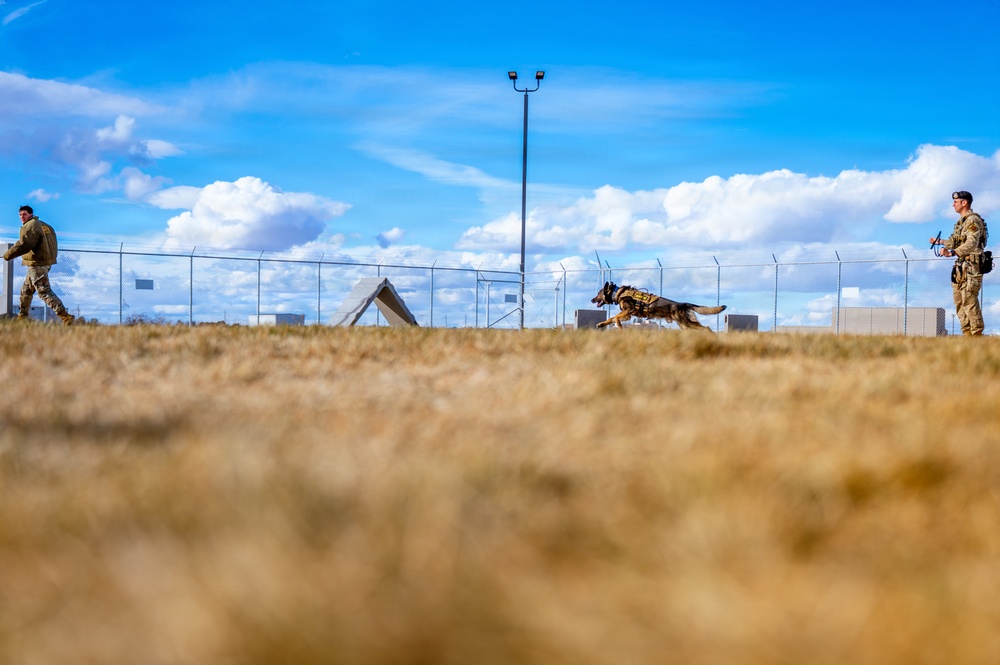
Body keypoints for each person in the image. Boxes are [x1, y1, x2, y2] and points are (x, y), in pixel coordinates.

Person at [3, 205, 76, 325]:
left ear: (31, 214)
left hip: (38, 263)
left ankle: (66, 316)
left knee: (43, 291)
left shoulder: (31, 226)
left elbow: (24, 244)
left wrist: (7, 255)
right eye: (20, 215)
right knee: (26, 290)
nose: (22, 217)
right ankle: (22, 319)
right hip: (44, 262)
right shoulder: (45, 225)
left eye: (24, 214)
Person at [930, 191, 987, 336]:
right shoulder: (961, 222)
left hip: (971, 268)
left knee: (969, 300)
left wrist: (953, 252)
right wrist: (941, 242)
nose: (953, 204)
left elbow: (972, 243)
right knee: (959, 302)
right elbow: (954, 241)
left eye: (956, 202)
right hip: (960, 268)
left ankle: (976, 336)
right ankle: (967, 336)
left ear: (964, 203)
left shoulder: (973, 221)